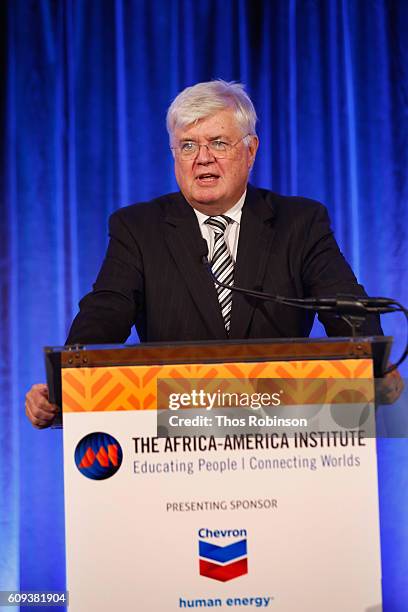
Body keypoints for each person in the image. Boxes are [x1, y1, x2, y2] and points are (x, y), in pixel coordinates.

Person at [25, 80, 403, 428]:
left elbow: (347, 308)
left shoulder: (299, 222)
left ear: (250, 150)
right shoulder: (138, 229)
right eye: (188, 145)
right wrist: (64, 384)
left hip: (286, 427)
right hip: (174, 435)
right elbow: (105, 312)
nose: (202, 158)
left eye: (218, 142)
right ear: (174, 154)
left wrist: (375, 371)